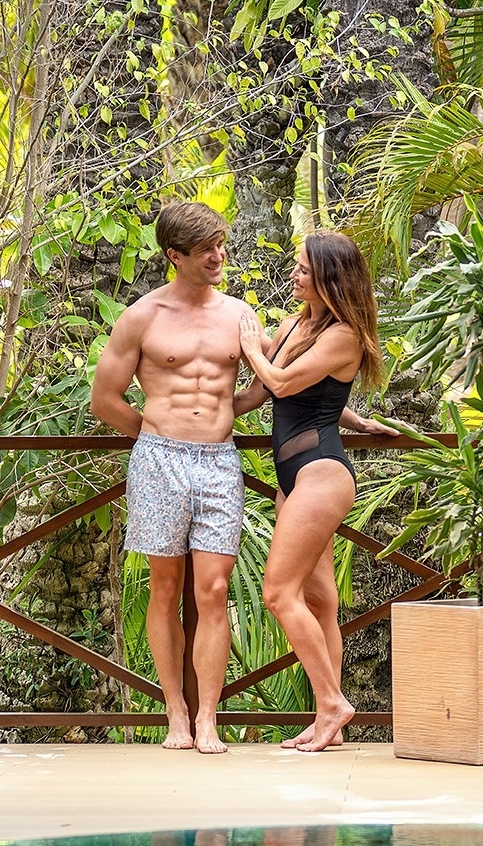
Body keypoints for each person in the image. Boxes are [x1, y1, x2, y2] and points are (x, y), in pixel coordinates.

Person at [92, 202, 388, 753]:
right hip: (160, 459)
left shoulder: (241, 316)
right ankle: (176, 713)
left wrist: (223, 419)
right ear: (174, 255)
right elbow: (104, 400)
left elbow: (280, 384)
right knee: (165, 588)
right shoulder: (141, 316)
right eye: (206, 249)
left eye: (220, 244)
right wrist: (159, 435)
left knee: (216, 590)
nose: (218, 256)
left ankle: (210, 718)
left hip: (225, 463)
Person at [234, 231, 392, 753]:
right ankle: (331, 721)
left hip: (322, 473)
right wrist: (194, 417)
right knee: (321, 601)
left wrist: (251, 347)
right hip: (293, 478)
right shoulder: (293, 325)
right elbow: (276, 391)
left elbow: (280, 382)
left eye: (303, 268)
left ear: (329, 278)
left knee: (279, 593)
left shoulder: (344, 335)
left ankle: (332, 703)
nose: (294, 274)